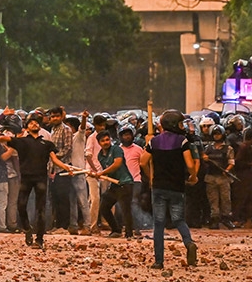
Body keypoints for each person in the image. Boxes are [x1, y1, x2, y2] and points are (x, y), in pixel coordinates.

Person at [5, 115, 76, 249]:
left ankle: (40, 239)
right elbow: (4, 138)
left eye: (36, 123)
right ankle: (26, 228)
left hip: (41, 178)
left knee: (41, 209)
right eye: (31, 123)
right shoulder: (21, 141)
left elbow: (55, 160)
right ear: (26, 128)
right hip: (26, 178)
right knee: (21, 205)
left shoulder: (47, 144)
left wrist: (66, 167)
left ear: (40, 127)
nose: (34, 124)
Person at [142, 109, 199, 269]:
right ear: (174, 125)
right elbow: (189, 164)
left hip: (159, 186)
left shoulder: (154, 141)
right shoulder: (182, 142)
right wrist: (193, 176)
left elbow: (142, 161)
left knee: (158, 224)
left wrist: (151, 177)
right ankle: (188, 243)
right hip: (177, 187)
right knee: (179, 220)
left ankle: (159, 261)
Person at [95, 131, 135, 238]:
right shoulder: (100, 155)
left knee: (125, 209)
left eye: (107, 140)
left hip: (125, 183)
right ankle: (116, 230)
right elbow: (107, 170)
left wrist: (101, 173)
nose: (106, 142)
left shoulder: (116, 149)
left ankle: (129, 234)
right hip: (114, 185)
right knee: (104, 207)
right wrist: (97, 174)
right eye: (102, 141)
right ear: (99, 143)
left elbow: (117, 164)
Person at [202, 125, 235, 229]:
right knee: (213, 199)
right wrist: (204, 158)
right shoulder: (208, 148)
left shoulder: (228, 148)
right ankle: (214, 219)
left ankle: (226, 218)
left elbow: (231, 162)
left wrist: (227, 170)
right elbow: (202, 159)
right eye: (215, 134)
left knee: (226, 199)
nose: (216, 136)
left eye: (218, 134)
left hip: (223, 177)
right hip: (211, 177)